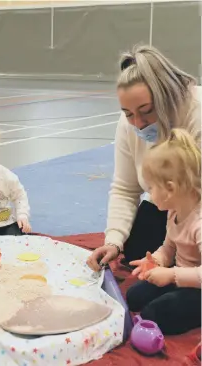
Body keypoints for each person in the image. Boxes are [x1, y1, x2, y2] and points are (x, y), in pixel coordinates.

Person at [87, 44, 200, 271]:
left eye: (147, 111)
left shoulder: (197, 113)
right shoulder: (129, 125)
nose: (138, 123)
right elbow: (125, 188)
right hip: (171, 205)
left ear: (166, 97)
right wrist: (114, 241)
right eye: (128, 114)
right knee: (138, 256)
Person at [126, 128, 201, 335]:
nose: (148, 193)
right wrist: (157, 260)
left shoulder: (199, 223)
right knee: (134, 297)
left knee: (154, 314)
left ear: (170, 188)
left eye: (151, 188)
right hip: (181, 279)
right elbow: (169, 247)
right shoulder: (173, 212)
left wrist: (170, 275)